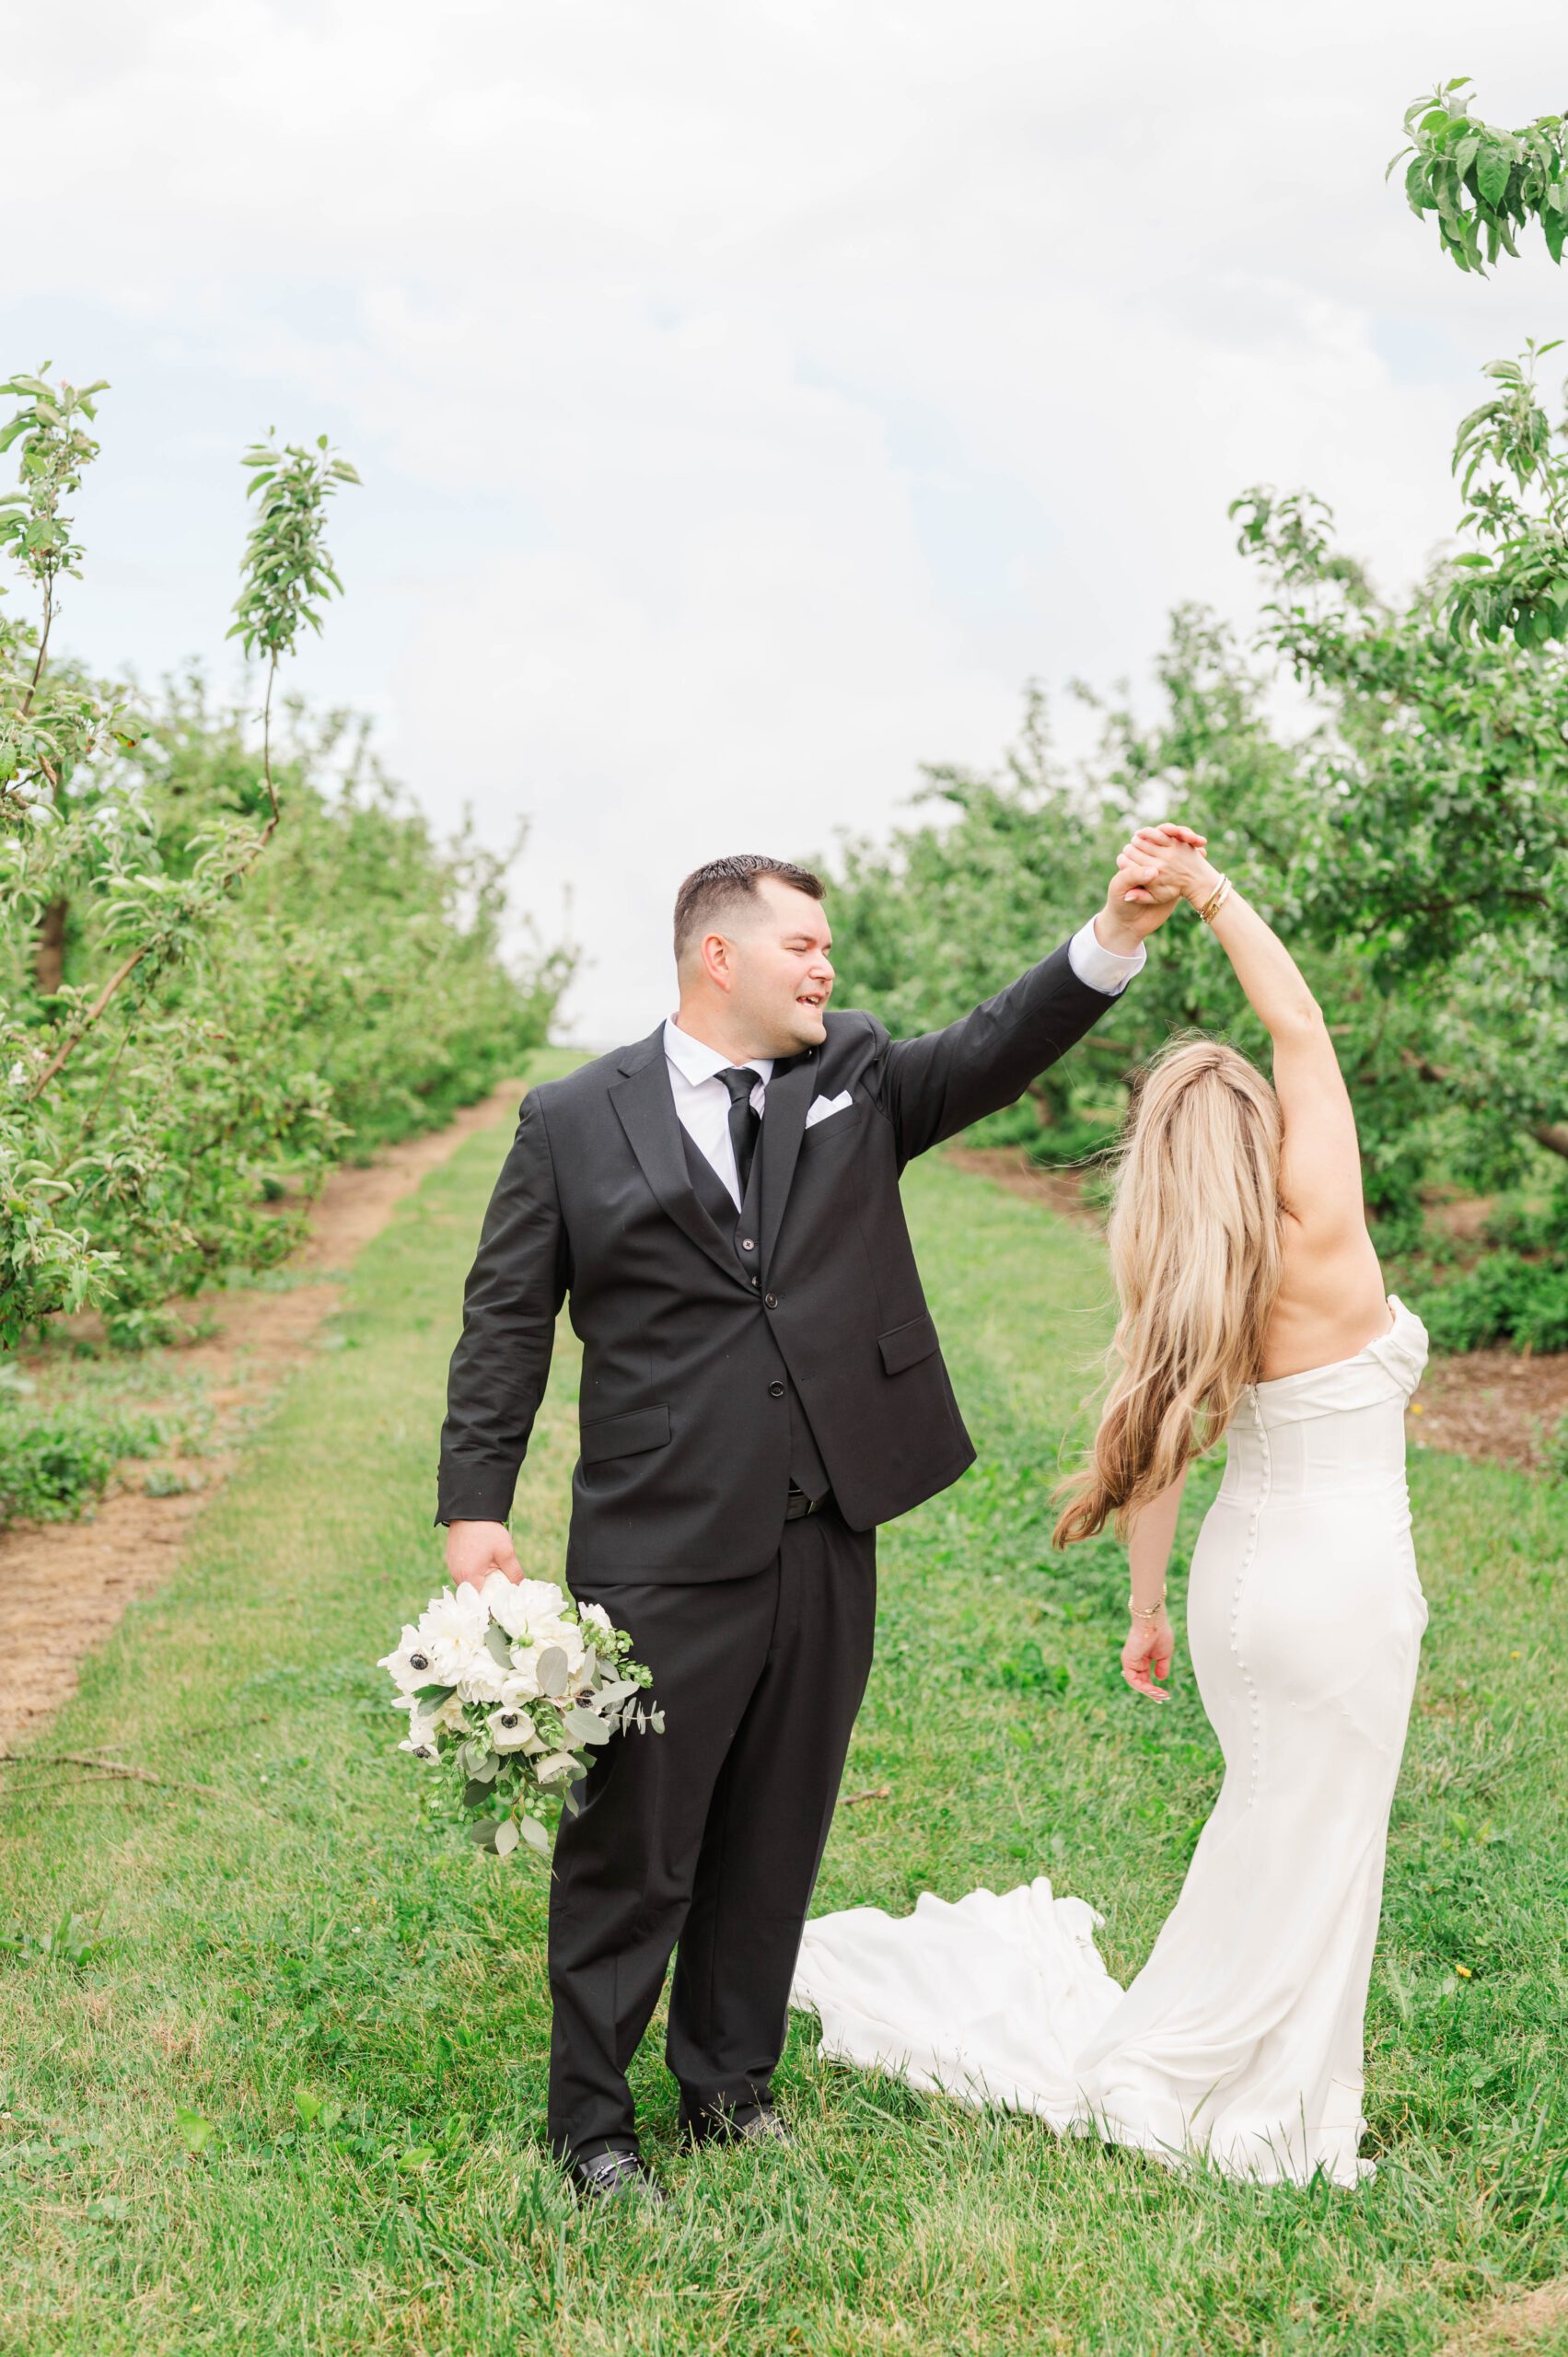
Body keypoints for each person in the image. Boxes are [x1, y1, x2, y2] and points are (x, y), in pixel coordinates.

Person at [436, 850, 1182, 2201]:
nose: (825, 967)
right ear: (718, 956)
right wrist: (475, 1509)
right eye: (803, 946)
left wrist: (1113, 934)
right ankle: (593, 2125)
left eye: (827, 948)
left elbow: (997, 1049)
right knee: (637, 1838)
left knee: (779, 1821)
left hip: (827, 1524)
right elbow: (503, 1325)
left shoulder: (856, 1075)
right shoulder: (569, 1121)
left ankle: (728, 2086)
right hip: (658, 1540)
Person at [791, 825, 1429, 2187]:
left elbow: (1157, 1461)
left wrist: (1146, 1607)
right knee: (1319, 1840)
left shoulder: (1189, 1277)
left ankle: (1223, 2061)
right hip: (1349, 1590)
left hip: (1241, 1600)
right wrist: (1211, 890)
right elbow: (1298, 1015)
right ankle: (1267, 2092)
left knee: (1265, 1821)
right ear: (1259, 1123)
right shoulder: (1321, 1216)